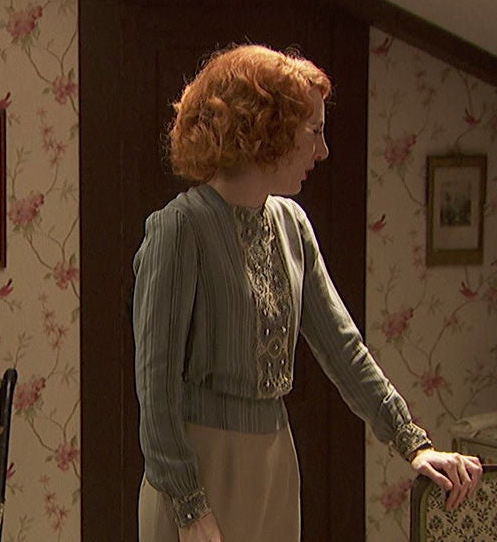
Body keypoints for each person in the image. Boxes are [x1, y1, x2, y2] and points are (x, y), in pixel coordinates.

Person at [131, 44, 482, 542]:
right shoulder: (180, 228)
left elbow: (343, 349)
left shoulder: (292, 225)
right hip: (198, 475)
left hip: (275, 466)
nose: (322, 151)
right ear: (266, 129)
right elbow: (156, 385)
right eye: (313, 131)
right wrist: (189, 507)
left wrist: (413, 443)